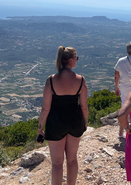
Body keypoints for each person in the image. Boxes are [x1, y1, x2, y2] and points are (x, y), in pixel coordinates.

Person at [37, 46, 88, 185]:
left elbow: (45, 108)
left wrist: (40, 128)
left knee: (57, 164)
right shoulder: (81, 80)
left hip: (56, 123)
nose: (77, 61)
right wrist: (85, 121)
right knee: (72, 160)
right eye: (76, 58)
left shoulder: (51, 80)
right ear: (70, 60)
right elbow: (84, 105)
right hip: (75, 121)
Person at [114, 42, 131, 137]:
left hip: (124, 88)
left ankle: (121, 133)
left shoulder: (120, 61)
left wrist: (117, 87)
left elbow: (117, 75)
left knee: (123, 109)